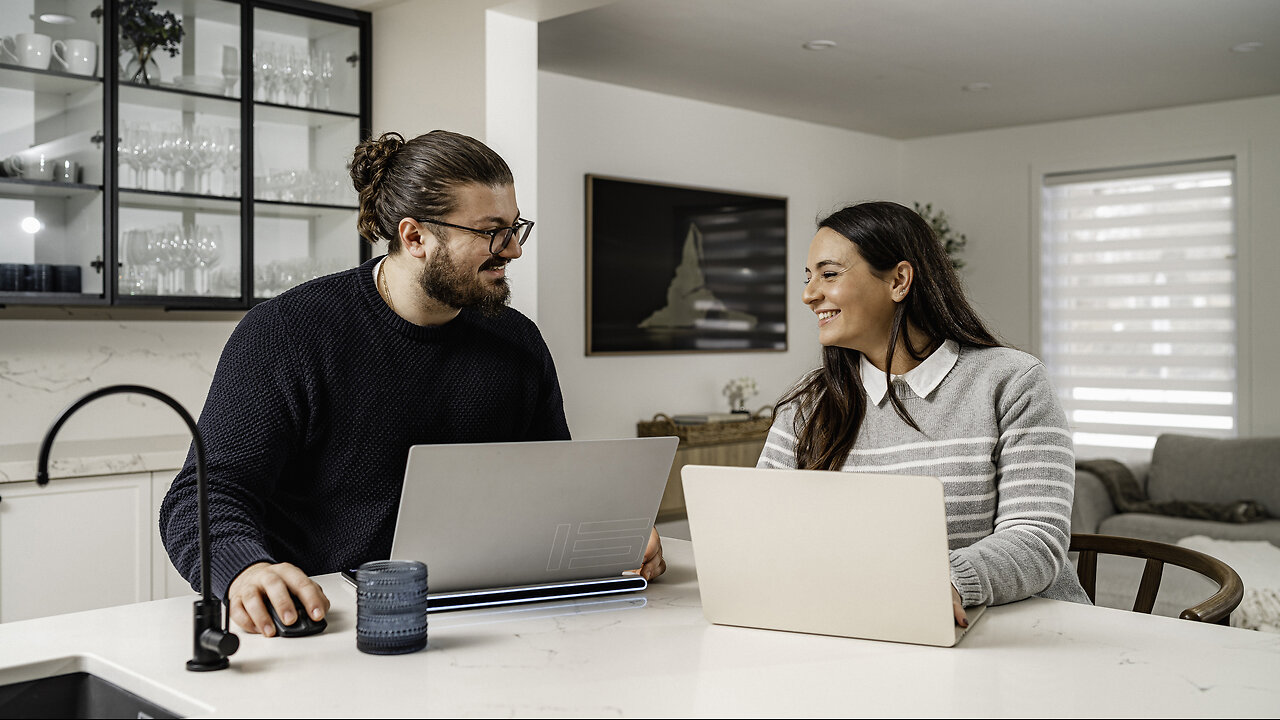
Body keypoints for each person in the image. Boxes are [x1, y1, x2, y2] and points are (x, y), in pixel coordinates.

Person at [161, 130, 666, 637]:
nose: (512, 250)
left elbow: (555, 484)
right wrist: (246, 569)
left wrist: (611, 534)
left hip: (488, 622)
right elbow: (201, 499)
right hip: (329, 624)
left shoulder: (518, 342)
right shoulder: (287, 332)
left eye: (515, 229)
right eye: (492, 231)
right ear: (415, 237)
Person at [758, 201, 1089, 625]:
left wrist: (944, 580)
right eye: (808, 278)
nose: (808, 294)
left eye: (828, 274)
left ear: (899, 280)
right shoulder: (810, 405)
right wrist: (652, 553)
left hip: (1028, 634)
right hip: (873, 630)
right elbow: (759, 529)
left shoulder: (1011, 380)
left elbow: (1036, 539)